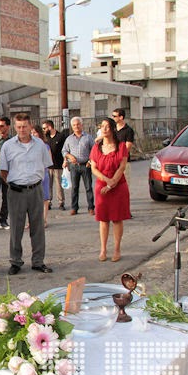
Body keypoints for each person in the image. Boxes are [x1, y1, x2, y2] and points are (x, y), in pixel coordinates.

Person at [0, 113, 53, 275]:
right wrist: (13, 184)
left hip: (36, 189)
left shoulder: (40, 145)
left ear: (31, 127)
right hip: (16, 191)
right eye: (18, 127)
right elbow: (3, 170)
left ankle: (38, 261)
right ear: (15, 127)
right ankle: (15, 261)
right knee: (16, 228)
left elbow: (46, 167)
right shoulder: (8, 146)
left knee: (37, 228)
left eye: (24, 126)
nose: (22, 130)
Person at [89, 118, 131, 262]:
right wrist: (107, 181)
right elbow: (94, 168)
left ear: (113, 129)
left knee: (117, 219)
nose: (104, 129)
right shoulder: (96, 147)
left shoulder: (121, 146)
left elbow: (122, 166)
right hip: (102, 186)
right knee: (103, 219)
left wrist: (113, 182)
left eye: (107, 126)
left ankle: (117, 249)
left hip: (118, 185)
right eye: (102, 126)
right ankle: (103, 249)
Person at [61, 116, 95, 216]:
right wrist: (69, 156)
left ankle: (91, 207)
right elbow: (64, 151)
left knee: (88, 187)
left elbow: (94, 150)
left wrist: (90, 161)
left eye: (78, 124)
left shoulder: (88, 137)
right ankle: (74, 208)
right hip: (74, 166)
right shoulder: (69, 139)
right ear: (72, 126)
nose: (76, 126)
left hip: (86, 165)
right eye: (74, 125)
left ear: (82, 125)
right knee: (74, 188)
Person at [42, 119, 66, 211]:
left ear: (49, 127)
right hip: (48, 166)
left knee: (59, 185)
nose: (44, 130)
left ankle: (61, 202)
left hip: (58, 165)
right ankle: (49, 202)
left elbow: (64, 150)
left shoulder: (60, 136)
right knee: (48, 185)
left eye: (44, 128)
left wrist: (65, 161)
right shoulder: (45, 137)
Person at [31, 124, 51, 229]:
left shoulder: (45, 145)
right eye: (31, 133)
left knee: (44, 199)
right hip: (31, 176)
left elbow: (48, 161)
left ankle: (44, 220)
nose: (33, 134)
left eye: (35, 132)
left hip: (42, 175)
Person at [112, 108, 135, 194]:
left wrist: (118, 156)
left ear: (121, 117)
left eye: (115, 116)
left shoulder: (128, 130)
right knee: (113, 183)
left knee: (124, 183)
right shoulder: (112, 130)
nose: (113, 118)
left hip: (123, 161)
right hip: (112, 161)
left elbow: (127, 147)